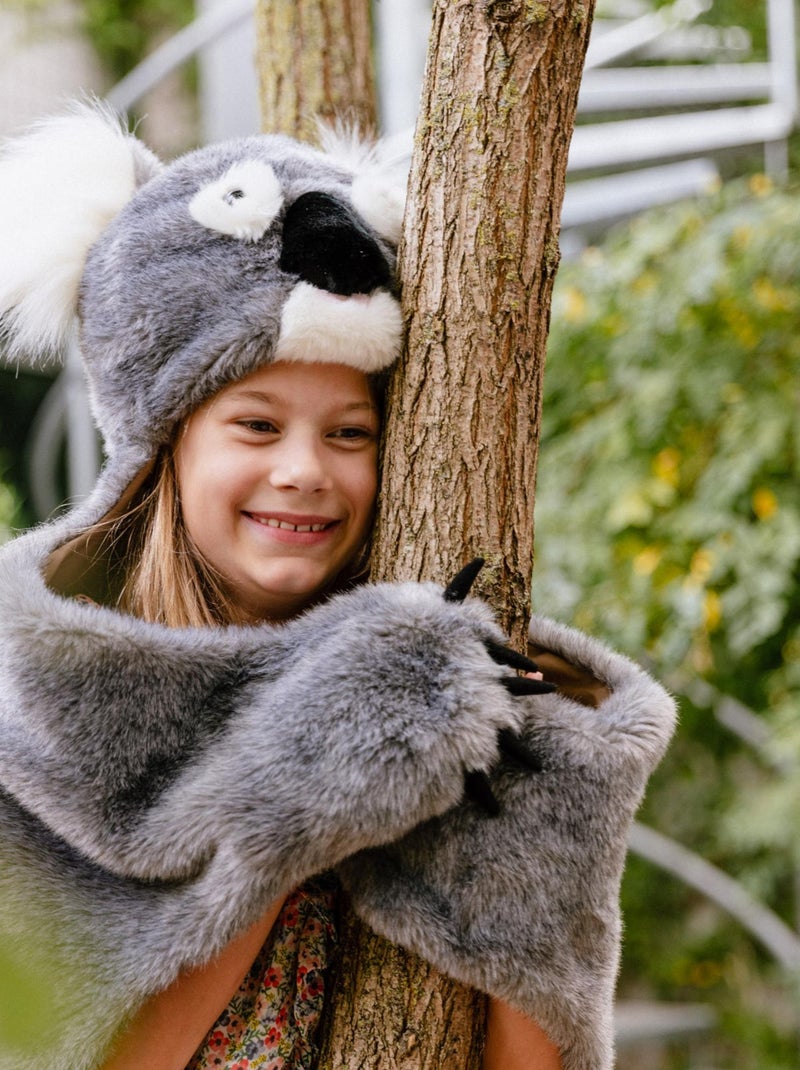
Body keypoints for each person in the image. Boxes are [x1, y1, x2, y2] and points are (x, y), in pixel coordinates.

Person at [0, 103, 677, 1070]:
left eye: (349, 433)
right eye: (257, 426)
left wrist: (543, 818)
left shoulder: (443, 687)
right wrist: (309, 782)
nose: (306, 471)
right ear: (164, 445)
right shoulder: (40, 714)